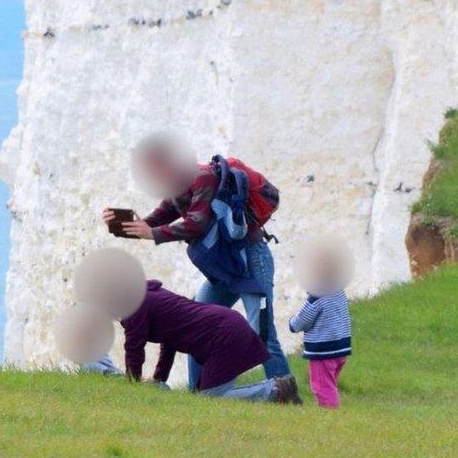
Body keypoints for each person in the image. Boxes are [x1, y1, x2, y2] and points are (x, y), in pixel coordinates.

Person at [103, 133, 290, 389]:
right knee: (194, 329)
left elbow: (196, 224)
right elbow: (164, 213)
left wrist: (152, 233)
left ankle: (283, 392)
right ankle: (197, 395)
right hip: (224, 268)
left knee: (263, 333)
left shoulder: (200, 176)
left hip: (250, 259)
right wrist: (133, 224)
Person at [121, 279, 301, 404]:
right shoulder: (146, 295)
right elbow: (170, 339)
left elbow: (134, 347)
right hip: (226, 326)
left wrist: (133, 384)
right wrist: (159, 378)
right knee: (208, 393)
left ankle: (276, 389)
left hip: (225, 335)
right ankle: (278, 389)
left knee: (211, 396)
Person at [288, 289, 352, 408]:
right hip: (341, 348)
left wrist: (291, 322)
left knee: (322, 386)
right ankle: (324, 407)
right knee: (329, 383)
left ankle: (329, 414)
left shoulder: (316, 298)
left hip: (324, 351)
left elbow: (300, 323)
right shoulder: (338, 292)